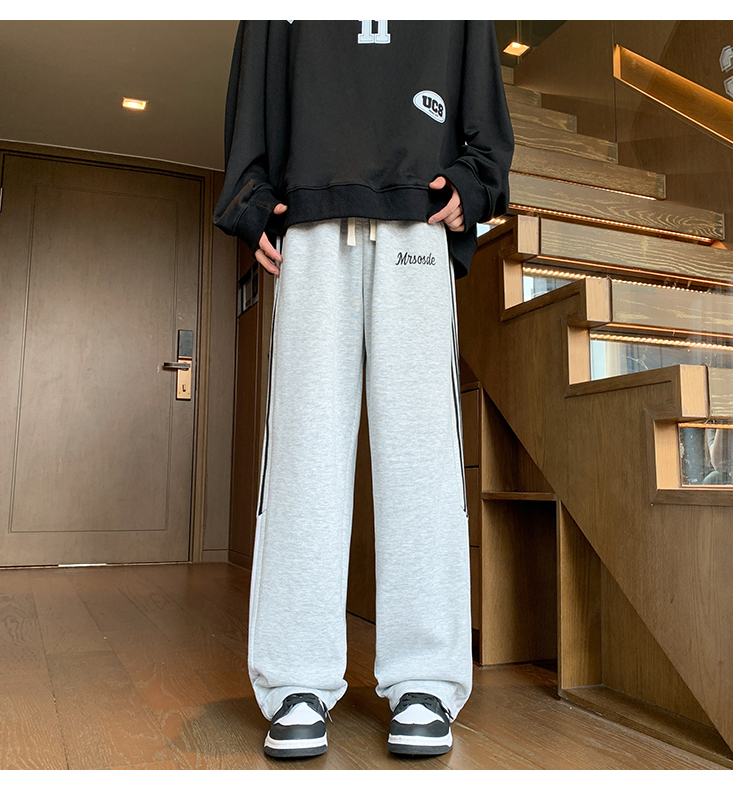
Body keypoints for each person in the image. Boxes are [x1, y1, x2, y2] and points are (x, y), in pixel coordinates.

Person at [213, 19, 514, 759]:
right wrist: (251, 197)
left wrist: (474, 183)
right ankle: (296, 679)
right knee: (304, 457)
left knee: (421, 460)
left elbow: (482, 104)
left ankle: (424, 677)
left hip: (417, 223)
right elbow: (254, 85)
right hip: (310, 225)